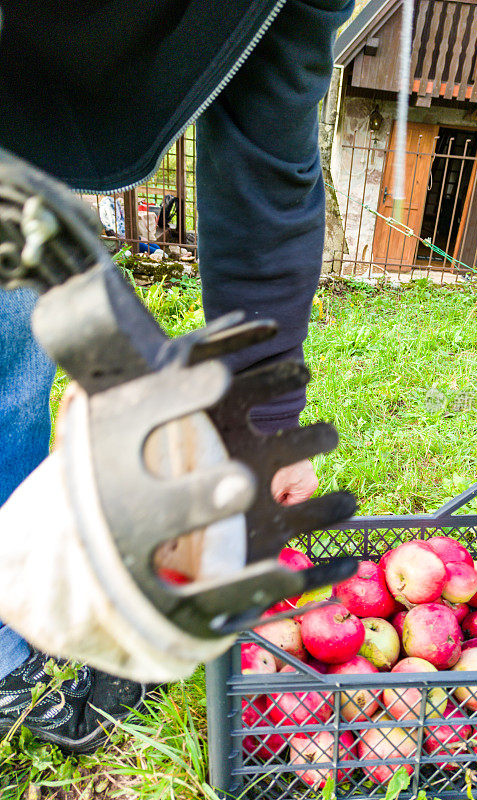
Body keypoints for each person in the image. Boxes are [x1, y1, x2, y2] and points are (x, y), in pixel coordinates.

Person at [0, 0, 353, 752]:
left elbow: (269, 159)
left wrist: (266, 425)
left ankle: (28, 589)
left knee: (14, 376)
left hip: (33, 129)